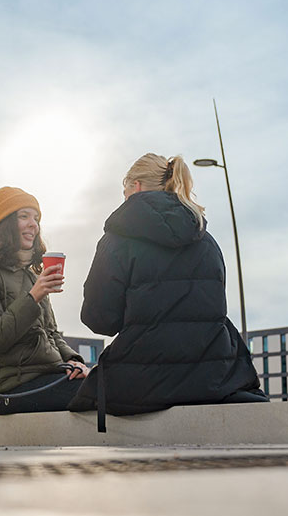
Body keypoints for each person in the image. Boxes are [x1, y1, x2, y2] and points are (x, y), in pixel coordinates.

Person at [69, 153, 266, 419]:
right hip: (212, 377)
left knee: (79, 398)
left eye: (124, 189)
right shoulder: (206, 240)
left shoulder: (117, 240)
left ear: (135, 187)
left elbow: (100, 320)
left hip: (143, 380)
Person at [0, 186, 89, 415]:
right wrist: (33, 297)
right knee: (101, 391)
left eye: (36, 218)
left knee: (106, 380)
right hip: (9, 388)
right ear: (6, 223)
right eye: (24, 216)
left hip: (47, 375)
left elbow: (52, 333)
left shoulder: (30, 274)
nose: (33, 225)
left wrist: (73, 360)